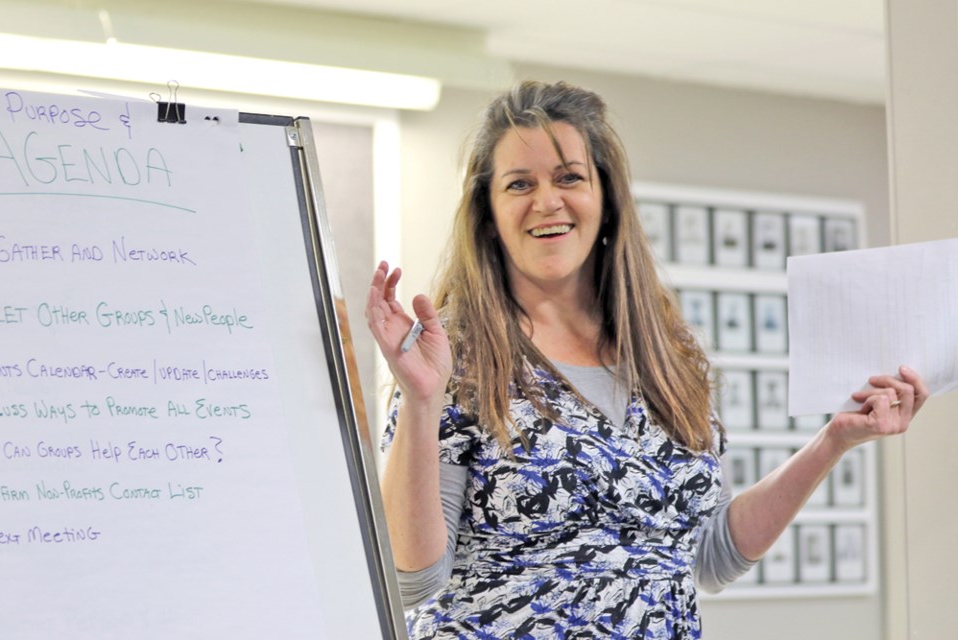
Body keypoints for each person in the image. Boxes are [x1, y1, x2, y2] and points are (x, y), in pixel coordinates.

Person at [365, 80, 928, 639]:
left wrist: (834, 440)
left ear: (606, 199)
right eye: (519, 184)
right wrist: (420, 401)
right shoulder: (458, 355)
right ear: (488, 215)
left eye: (569, 177)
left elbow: (711, 555)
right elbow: (411, 579)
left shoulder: (665, 355)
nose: (547, 201)